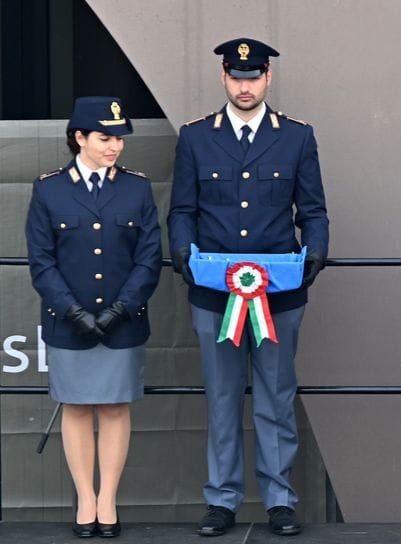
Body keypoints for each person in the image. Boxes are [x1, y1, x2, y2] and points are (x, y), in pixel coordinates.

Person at [167, 37, 329, 537]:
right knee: (221, 398)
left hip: (278, 294)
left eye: (253, 77)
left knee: (276, 397)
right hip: (214, 293)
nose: (244, 85)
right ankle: (222, 499)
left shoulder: (296, 137)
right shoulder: (195, 137)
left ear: (268, 79)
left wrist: (313, 259)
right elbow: (182, 212)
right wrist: (185, 260)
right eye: (236, 78)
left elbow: (314, 211)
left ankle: (279, 498)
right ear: (223, 78)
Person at [26, 96, 162, 539]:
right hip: (68, 319)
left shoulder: (137, 188)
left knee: (115, 406)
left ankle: (109, 500)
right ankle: (86, 498)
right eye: (105, 138)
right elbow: (42, 262)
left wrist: (123, 307)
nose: (115, 147)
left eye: (120, 139)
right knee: (78, 407)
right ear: (79, 137)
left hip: (124, 318)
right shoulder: (48, 189)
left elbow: (148, 258)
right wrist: (72, 311)